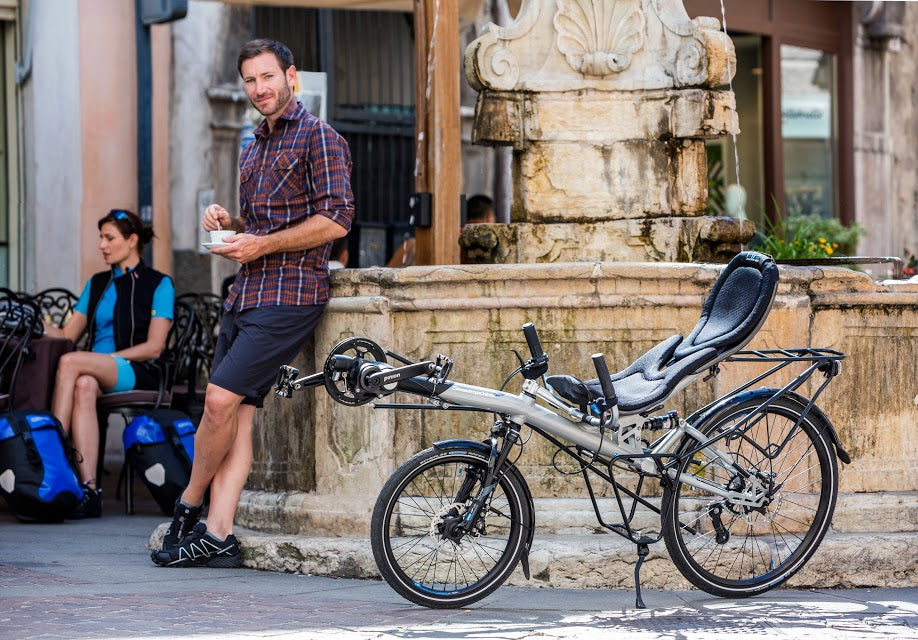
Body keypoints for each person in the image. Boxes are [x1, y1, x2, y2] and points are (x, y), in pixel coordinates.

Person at [152, 38, 354, 568]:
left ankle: (187, 506)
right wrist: (230, 223)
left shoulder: (320, 137)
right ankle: (219, 534)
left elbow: (337, 219)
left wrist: (261, 245)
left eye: (268, 76)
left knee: (218, 402)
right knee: (235, 415)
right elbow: (262, 226)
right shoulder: (252, 146)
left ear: (291, 76)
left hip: (291, 295)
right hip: (246, 293)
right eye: (250, 80)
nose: (259, 88)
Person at [44, 209, 175, 518]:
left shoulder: (159, 284)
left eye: (109, 238)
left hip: (139, 369)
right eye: (100, 238)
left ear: (132, 240)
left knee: (71, 363)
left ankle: (52, 456)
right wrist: (35, 323)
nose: (102, 245)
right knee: (84, 385)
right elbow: (67, 335)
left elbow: (155, 347)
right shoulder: (98, 283)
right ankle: (90, 491)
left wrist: (109, 359)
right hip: (96, 370)